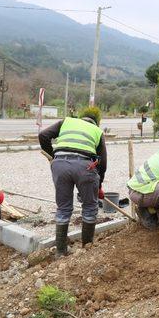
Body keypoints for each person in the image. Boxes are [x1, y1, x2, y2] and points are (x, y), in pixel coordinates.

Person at [38, 108, 107, 257]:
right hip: (85, 167)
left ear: (81, 119)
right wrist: (99, 185)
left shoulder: (67, 122)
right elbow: (102, 162)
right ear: (96, 123)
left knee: (63, 208)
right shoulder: (97, 131)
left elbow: (43, 135)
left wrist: (53, 157)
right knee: (89, 207)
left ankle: (61, 251)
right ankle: (86, 248)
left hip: (60, 166)